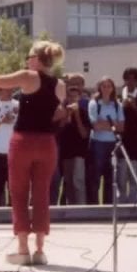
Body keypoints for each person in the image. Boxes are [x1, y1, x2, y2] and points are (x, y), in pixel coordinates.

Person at [0, 41, 66, 266]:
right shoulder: (60, 85)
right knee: (42, 194)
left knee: (18, 193)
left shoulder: (28, 76)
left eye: (29, 56)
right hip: (47, 143)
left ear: (36, 59)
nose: (27, 60)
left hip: (24, 141)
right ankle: (40, 250)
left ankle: (23, 249)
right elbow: (56, 112)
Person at [87, 77, 124, 204]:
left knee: (111, 178)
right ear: (99, 88)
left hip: (113, 144)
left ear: (113, 88)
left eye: (109, 86)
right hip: (98, 144)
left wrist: (105, 123)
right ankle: (94, 207)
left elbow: (121, 127)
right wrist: (113, 124)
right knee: (95, 178)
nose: (106, 89)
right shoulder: (94, 104)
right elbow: (95, 126)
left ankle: (108, 207)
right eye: (104, 86)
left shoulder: (117, 105)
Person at [55, 77, 88, 205]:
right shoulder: (62, 112)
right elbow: (59, 130)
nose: (72, 100)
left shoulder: (83, 112)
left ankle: (81, 207)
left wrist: (77, 115)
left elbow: (84, 134)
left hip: (79, 152)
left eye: (75, 97)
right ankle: (71, 208)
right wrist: (67, 114)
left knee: (78, 181)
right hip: (65, 152)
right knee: (68, 182)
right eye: (70, 97)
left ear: (79, 98)